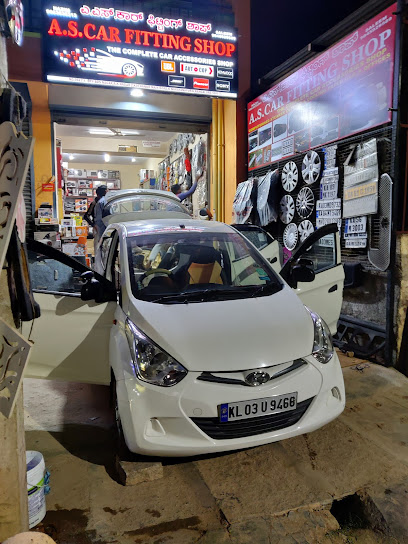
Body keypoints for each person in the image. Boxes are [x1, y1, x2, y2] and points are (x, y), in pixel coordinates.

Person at [92, 185, 108, 251]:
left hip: (100, 226)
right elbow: (101, 218)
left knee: (101, 244)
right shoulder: (103, 201)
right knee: (103, 244)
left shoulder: (100, 202)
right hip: (102, 226)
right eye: (107, 190)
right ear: (105, 191)